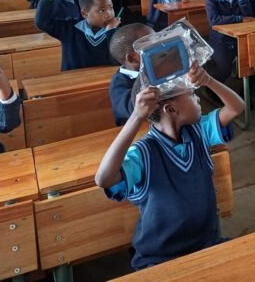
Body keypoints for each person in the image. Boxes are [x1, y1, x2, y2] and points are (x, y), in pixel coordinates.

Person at [95, 64, 245, 270]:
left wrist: (209, 81)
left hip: (206, 246)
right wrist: (136, 117)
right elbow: (103, 178)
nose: (198, 98)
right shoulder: (144, 153)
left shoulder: (199, 132)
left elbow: (237, 107)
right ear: (171, 109)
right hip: (160, 258)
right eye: (192, 94)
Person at [35, 0, 120, 71]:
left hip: (103, 79)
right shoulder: (69, 29)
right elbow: (42, 22)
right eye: (101, 10)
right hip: (72, 79)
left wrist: (110, 32)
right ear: (84, 14)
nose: (109, 14)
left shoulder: (116, 33)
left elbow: (117, 62)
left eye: (111, 7)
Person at [205, 0, 255, 81]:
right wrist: (239, 19)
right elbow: (214, 20)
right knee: (225, 67)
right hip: (220, 40)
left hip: (240, 38)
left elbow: (249, 16)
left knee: (252, 61)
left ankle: (246, 89)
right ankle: (211, 89)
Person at [108, 23, 155, 126]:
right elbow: (135, 108)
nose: (160, 46)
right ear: (132, 58)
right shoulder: (118, 84)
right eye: (151, 46)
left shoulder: (160, 67)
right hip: (138, 131)